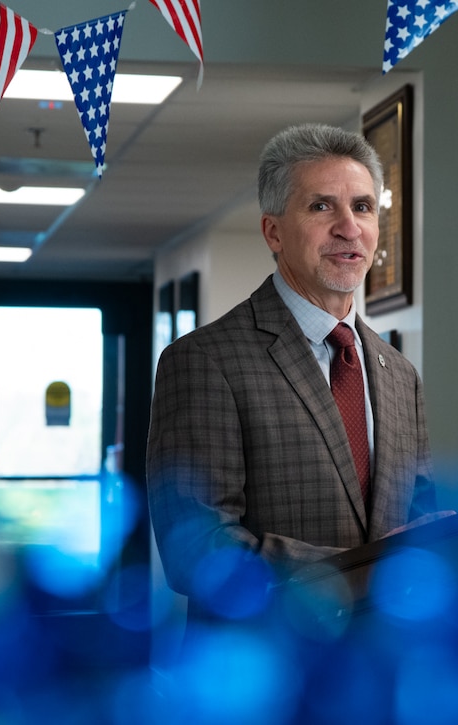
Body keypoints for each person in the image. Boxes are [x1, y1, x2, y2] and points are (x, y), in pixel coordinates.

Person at [146, 124, 437, 616]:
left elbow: (421, 523)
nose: (349, 227)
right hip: (263, 677)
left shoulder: (400, 375)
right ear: (273, 232)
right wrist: (364, 572)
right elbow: (193, 550)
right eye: (322, 206)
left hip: (385, 673)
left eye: (363, 207)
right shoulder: (203, 361)